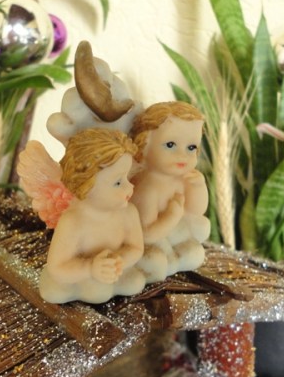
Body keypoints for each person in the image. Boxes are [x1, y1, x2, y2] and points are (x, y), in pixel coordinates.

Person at [39, 128, 146, 304]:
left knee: (135, 283)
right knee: (66, 292)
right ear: (86, 186)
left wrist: (118, 261)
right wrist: (90, 268)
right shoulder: (73, 221)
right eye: (118, 182)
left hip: (115, 272)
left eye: (127, 177)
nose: (130, 187)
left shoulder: (129, 212)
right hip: (81, 275)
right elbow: (57, 268)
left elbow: (135, 248)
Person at [129, 101, 211, 282]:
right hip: (152, 239)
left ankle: (178, 257)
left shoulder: (183, 178)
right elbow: (146, 234)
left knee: (197, 248)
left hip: (175, 231)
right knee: (164, 263)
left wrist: (198, 186)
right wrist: (172, 216)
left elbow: (196, 210)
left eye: (191, 148)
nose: (183, 155)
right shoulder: (148, 188)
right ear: (144, 145)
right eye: (170, 145)